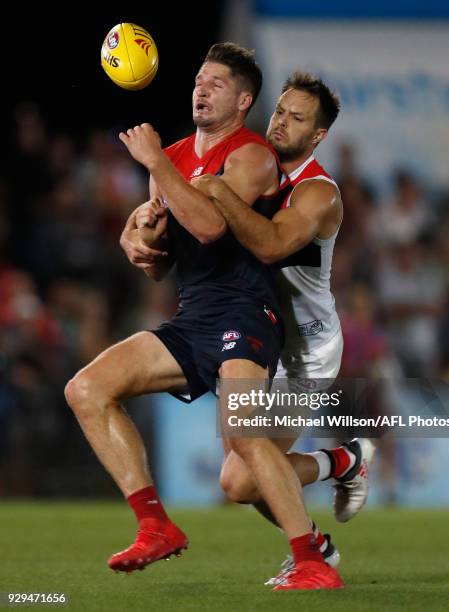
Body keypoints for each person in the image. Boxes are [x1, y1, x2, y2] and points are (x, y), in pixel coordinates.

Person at [65, 44, 343, 590]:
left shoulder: (252, 155)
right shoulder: (169, 156)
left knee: (243, 440)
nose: (202, 87)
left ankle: (311, 560)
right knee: (86, 389)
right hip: (194, 315)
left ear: (243, 100)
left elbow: (213, 228)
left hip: (248, 309)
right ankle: (155, 525)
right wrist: (141, 243)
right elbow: (167, 260)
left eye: (217, 83)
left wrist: (157, 168)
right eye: (199, 78)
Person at [125, 72, 375, 590]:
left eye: (298, 118)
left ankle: (341, 469)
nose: (282, 122)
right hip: (253, 330)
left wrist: (215, 189)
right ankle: (319, 536)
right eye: (281, 110)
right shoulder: (250, 165)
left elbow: (268, 245)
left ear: (318, 135)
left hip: (304, 350)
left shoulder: (317, 192)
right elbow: (189, 231)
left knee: (240, 479)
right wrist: (141, 230)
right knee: (241, 476)